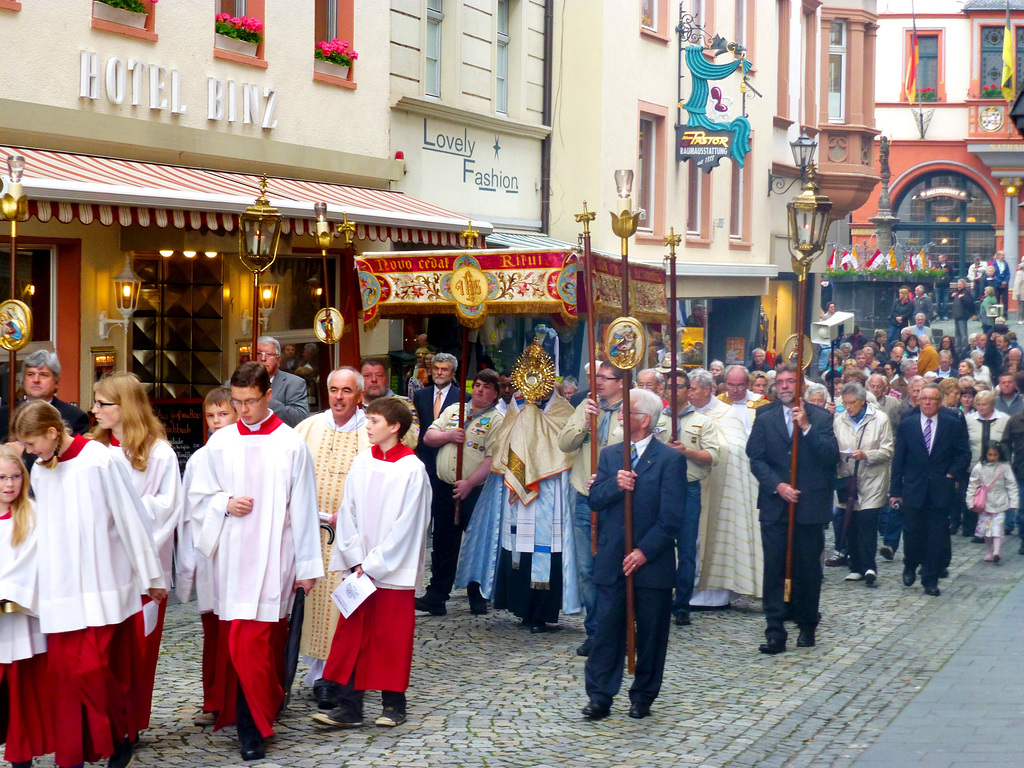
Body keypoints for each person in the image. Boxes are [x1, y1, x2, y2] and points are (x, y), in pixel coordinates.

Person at [12, 400, 165, 768]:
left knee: (96, 672)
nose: (29, 452)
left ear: (53, 432)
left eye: (32, 443)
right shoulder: (44, 474)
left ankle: (117, 736)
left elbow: (131, 517)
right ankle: (74, 754)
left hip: (103, 585)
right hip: (61, 589)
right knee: (66, 680)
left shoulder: (100, 460)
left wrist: (151, 575)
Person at [189, 362, 323, 761]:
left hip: (273, 556)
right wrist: (223, 503)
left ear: (268, 396)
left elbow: (303, 507)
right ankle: (253, 717)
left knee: (259, 643)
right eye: (237, 401)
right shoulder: (221, 443)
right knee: (238, 640)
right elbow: (197, 496)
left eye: (249, 401)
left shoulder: (291, 444)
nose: (241, 409)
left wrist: (307, 567)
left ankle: (255, 724)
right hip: (231, 556)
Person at [313, 397, 431, 730]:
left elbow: (409, 526)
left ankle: (394, 704)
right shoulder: (362, 461)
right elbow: (347, 511)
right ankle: (349, 706)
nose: (367, 426)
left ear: (394, 427)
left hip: (391, 571)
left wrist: (375, 564)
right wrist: (353, 557)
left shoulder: (412, 470)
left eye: (374, 421)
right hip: (359, 568)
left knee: (390, 637)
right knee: (353, 636)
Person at [455, 344, 580, 633]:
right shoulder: (516, 407)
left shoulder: (562, 410)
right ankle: (522, 608)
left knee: (546, 550)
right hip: (517, 488)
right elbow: (502, 442)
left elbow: (567, 444)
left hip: (549, 491)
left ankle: (543, 612)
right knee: (517, 549)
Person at [89, 371, 185, 743]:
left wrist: (126, 512)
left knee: (139, 651)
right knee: (106, 649)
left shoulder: (158, 452)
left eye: (102, 403)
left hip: (143, 569)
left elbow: (168, 507)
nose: (94, 409)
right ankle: (105, 721)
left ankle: (129, 724)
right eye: (95, 402)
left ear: (125, 406)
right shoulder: (92, 449)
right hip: (102, 565)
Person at [582, 388, 686, 721]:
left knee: (652, 633)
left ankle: (643, 696)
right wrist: (616, 485)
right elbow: (595, 498)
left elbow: (672, 518)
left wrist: (644, 551)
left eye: (627, 412)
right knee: (607, 629)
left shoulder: (670, 459)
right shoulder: (612, 455)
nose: (621, 416)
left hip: (650, 562)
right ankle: (599, 696)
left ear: (643, 420)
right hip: (613, 557)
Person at [747, 365, 839, 654]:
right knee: (773, 567)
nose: (786, 386)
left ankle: (807, 624)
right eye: (782, 382)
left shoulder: (821, 418)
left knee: (808, 569)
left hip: (809, 505)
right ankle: (775, 629)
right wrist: (778, 486)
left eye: (791, 382)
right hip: (776, 504)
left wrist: (806, 428)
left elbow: (829, 457)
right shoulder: (764, 417)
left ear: (800, 386)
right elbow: (756, 458)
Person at [293, 367, 369, 709]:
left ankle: (335, 678)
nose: (339, 397)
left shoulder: (370, 431)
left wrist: (353, 515)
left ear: (359, 395)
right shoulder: (307, 428)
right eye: (334, 390)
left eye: (347, 391)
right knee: (310, 606)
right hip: (310, 533)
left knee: (342, 607)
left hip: (350, 538)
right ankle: (313, 672)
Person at [417, 369, 503, 618]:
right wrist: (449, 435)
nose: (479, 390)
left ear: (495, 393)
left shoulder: (497, 420)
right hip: (445, 487)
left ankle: (477, 594)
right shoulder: (455, 410)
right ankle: (437, 595)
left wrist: (469, 483)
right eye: (477, 385)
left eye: (486, 387)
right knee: (444, 541)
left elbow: (492, 459)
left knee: (476, 542)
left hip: (475, 491)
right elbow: (429, 437)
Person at [176, 387, 237, 728]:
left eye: (223, 414)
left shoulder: (246, 451)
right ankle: (214, 698)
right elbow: (191, 510)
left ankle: (241, 699)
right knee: (214, 633)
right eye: (211, 416)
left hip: (242, 552)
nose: (216, 422)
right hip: (211, 555)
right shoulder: (200, 458)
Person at [557, 361, 624, 655]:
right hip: (585, 495)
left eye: (605, 378)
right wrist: (585, 421)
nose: (598, 383)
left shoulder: (633, 408)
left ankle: (619, 629)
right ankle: (594, 631)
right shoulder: (586, 403)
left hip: (618, 500)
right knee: (587, 568)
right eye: (596, 378)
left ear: (621, 381)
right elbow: (564, 443)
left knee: (617, 567)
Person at [685, 368, 761, 610]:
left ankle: (713, 595)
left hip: (718, 486)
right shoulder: (681, 412)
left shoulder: (725, 415)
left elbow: (737, 449)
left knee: (711, 540)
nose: (689, 394)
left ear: (708, 390)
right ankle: (684, 589)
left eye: (693, 389)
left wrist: (705, 451)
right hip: (688, 485)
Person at [889, 382, 970, 597]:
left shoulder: (951, 424)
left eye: (932, 399)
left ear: (939, 401)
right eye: (923, 399)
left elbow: (963, 453)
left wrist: (952, 473)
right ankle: (910, 563)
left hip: (940, 489)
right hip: (913, 489)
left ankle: (930, 578)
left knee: (935, 536)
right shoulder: (908, 424)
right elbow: (899, 459)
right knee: (913, 532)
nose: (927, 403)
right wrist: (895, 490)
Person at [0, 445, 53, 768]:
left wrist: (8, 590)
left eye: (16, 477)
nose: (9, 485)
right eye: (2, 478)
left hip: (18, 618)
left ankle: (22, 757)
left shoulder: (33, 515)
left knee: (20, 693)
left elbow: (34, 563)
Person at [654, 369, 720, 627]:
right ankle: (658, 598)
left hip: (688, 489)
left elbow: (713, 456)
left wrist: (687, 452)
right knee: (657, 545)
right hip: (658, 490)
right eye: (669, 387)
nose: (674, 391)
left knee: (687, 548)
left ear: (688, 391)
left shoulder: (702, 422)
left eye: (680, 387)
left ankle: (682, 604)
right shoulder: (655, 418)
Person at [834, 383, 893, 586]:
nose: (848, 407)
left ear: (863, 401)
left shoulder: (880, 419)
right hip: (848, 479)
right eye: (845, 403)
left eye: (852, 403)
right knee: (850, 521)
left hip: (872, 479)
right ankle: (856, 566)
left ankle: (869, 567)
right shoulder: (839, 421)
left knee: (867, 522)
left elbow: (887, 450)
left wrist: (867, 455)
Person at [966, 442, 1018, 564]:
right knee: (986, 529)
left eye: (995, 454)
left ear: (999, 455)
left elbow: (1011, 485)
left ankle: (996, 551)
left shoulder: (1004, 467)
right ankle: (989, 551)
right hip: (984, 503)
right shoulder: (979, 467)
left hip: (1000, 501)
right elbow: (973, 485)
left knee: (997, 527)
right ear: (985, 454)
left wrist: (1013, 501)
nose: (992, 457)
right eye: (990, 454)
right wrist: (970, 501)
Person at [254, 335, 310, 427]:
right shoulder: (234, 384)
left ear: (278, 359)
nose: (263, 358)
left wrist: (265, 398)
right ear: (250, 356)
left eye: (268, 354)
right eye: (258, 353)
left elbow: (300, 420)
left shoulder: (295, 383)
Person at [718, 365, 767, 433]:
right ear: (725, 383)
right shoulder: (718, 402)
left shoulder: (761, 403)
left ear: (747, 384)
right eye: (731, 385)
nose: (735, 390)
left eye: (740, 386)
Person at [950, 279, 976, 352]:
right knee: (957, 334)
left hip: (962, 316)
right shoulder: (957, 293)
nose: (959, 286)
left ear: (964, 285)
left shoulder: (966, 293)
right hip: (957, 316)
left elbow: (970, 303)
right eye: (958, 284)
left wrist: (963, 298)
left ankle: (964, 348)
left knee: (963, 334)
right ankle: (957, 348)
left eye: (960, 284)